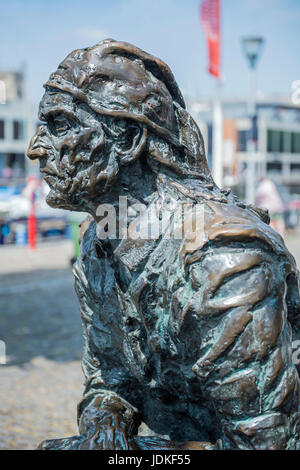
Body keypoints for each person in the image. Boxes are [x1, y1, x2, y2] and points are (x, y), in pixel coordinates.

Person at [27, 39, 300, 450]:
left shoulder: (223, 258)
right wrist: (107, 426)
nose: (35, 148)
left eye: (60, 125)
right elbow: (108, 379)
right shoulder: (98, 243)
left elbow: (263, 438)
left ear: (127, 139)